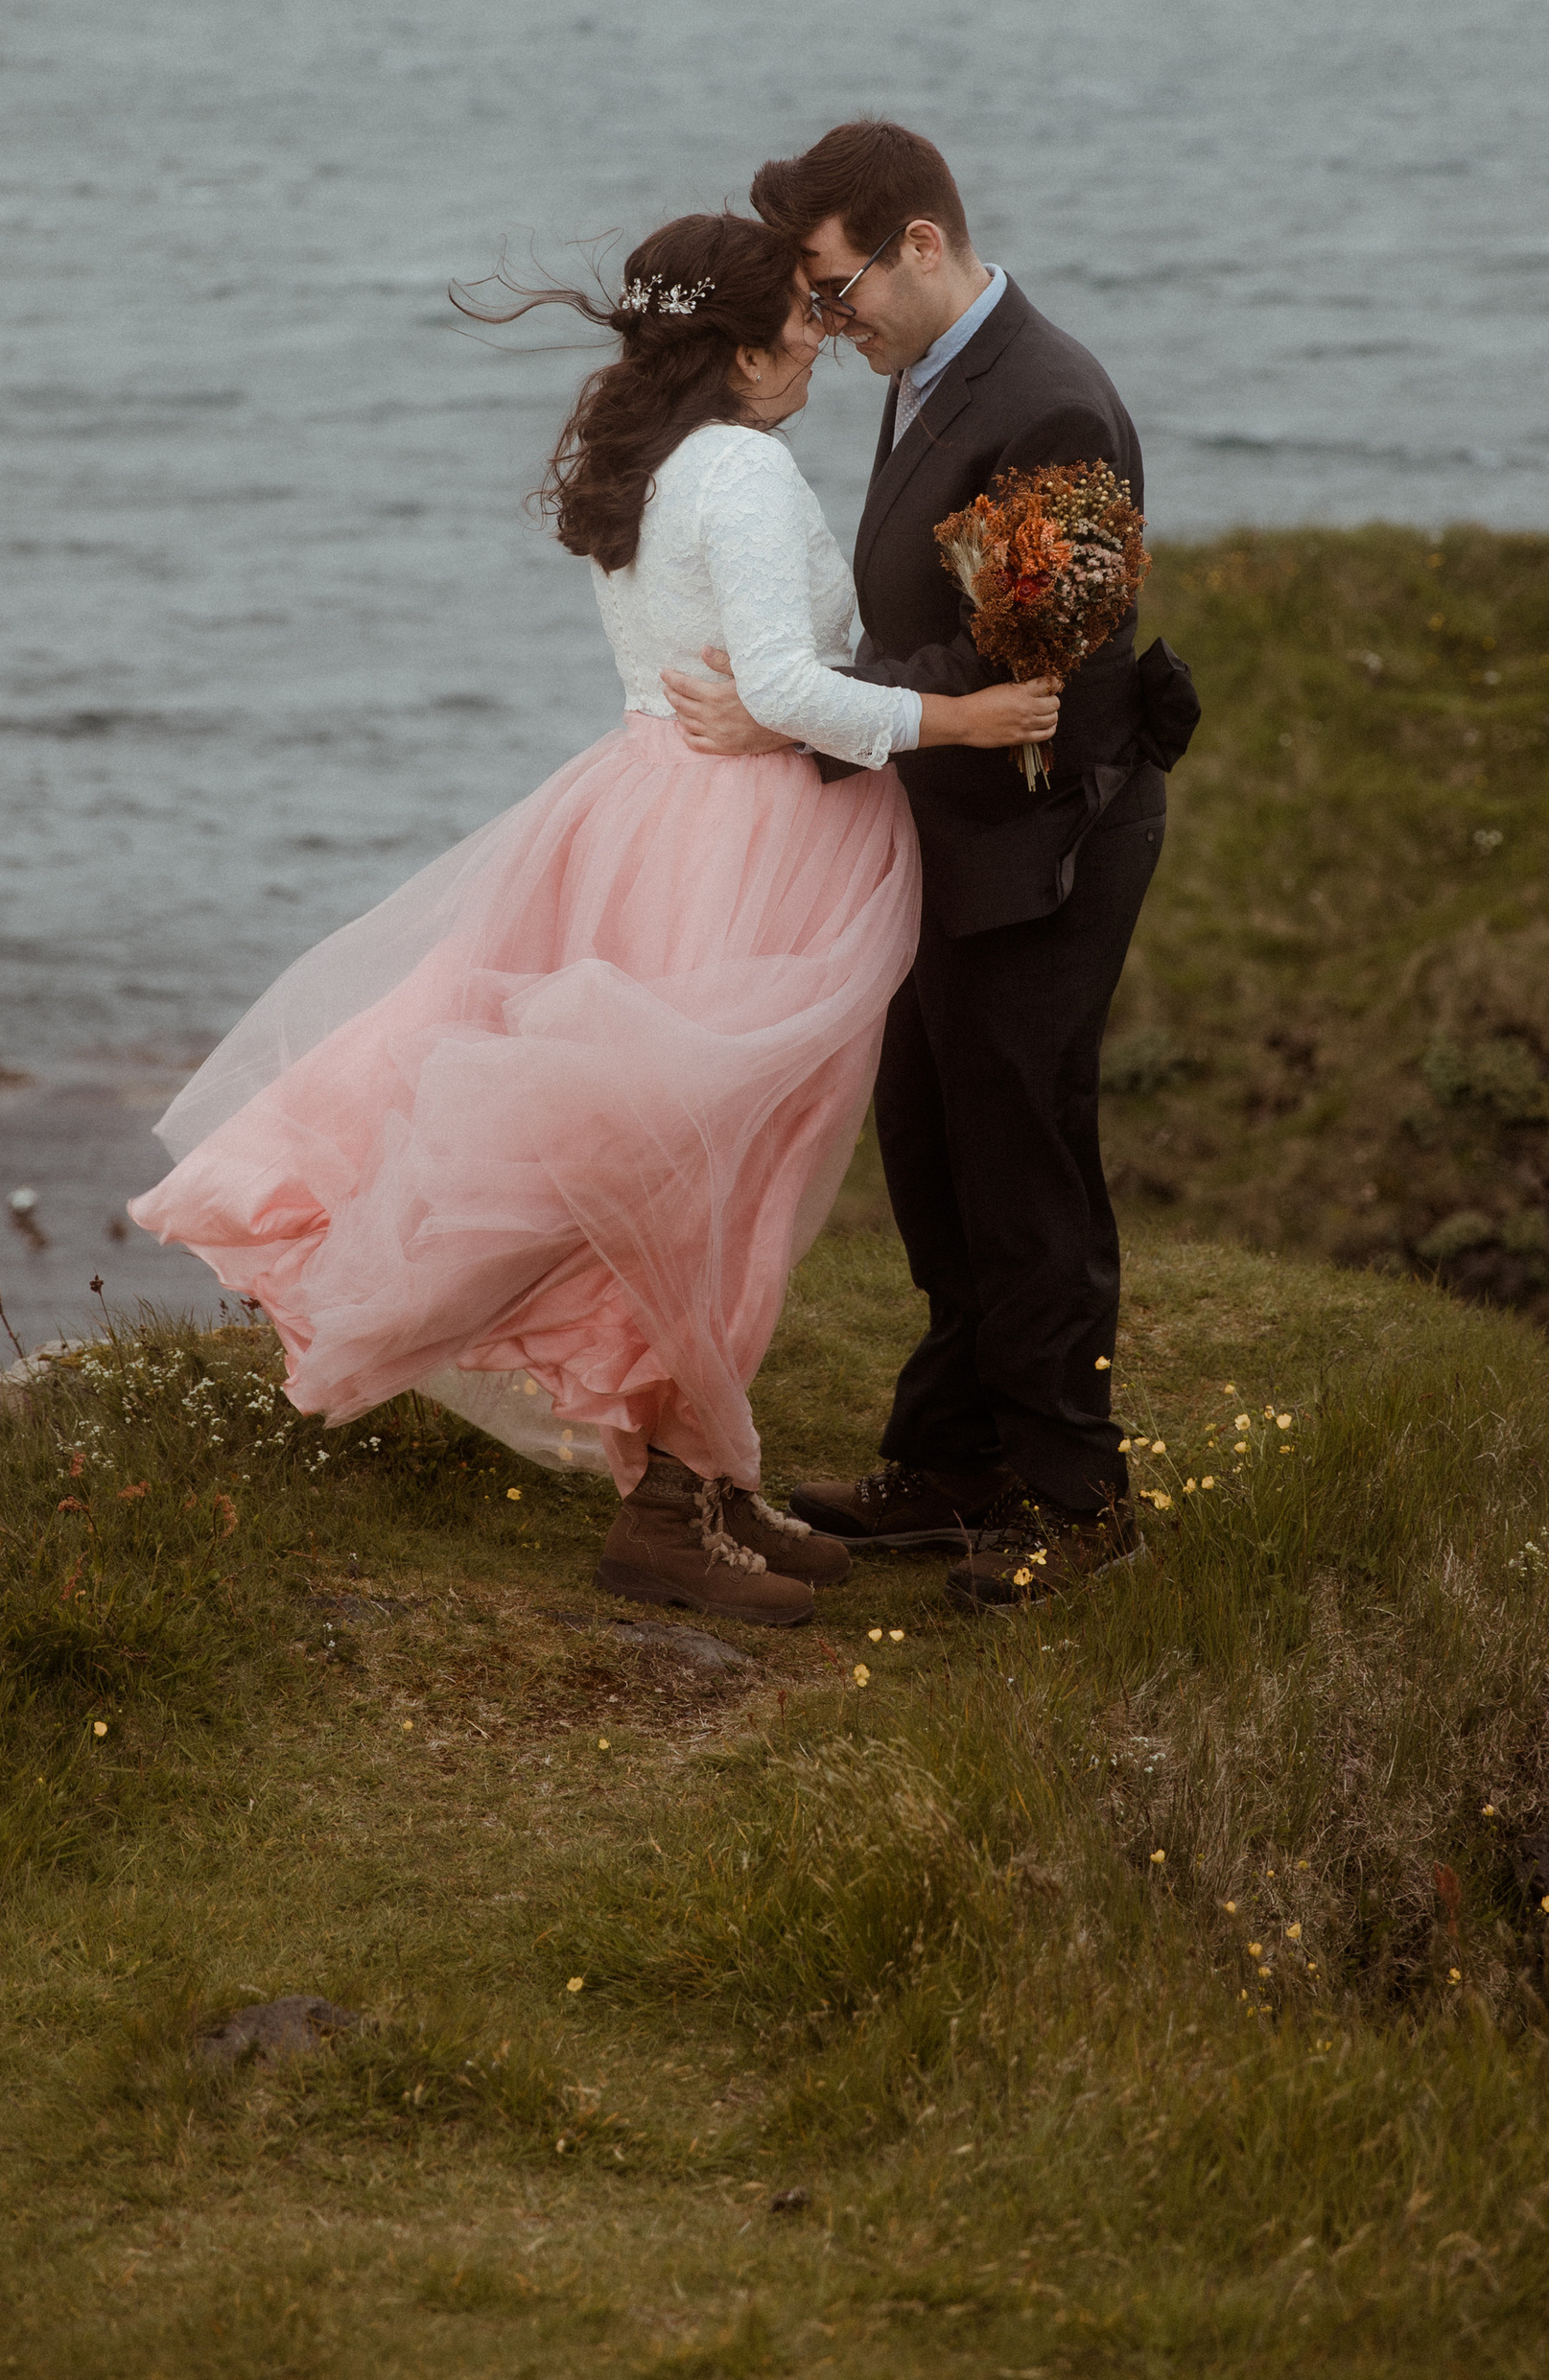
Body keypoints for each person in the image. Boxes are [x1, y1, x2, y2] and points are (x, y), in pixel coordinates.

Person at [129, 209, 1057, 1629]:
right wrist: (967, 714)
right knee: (717, 1169)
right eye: (802, 321)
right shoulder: (741, 469)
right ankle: (668, 1511)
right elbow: (788, 695)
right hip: (748, 841)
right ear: (743, 348)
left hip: (644, 813)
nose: (823, 337)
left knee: (698, 1151)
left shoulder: (653, 460)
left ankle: (713, 1478)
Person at [663, 121, 1196, 1613]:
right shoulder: (935, 371)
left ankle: (1076, 1502)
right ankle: (957, 1463)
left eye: (836, 289)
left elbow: (1032, 656)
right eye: (812, 304)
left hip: (1047, 833)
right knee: (935, 1144)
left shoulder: (1051, 401)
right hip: (953, 828)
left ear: (919, 242)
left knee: (1023, 1158)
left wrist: (797, 719)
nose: (828, 326)